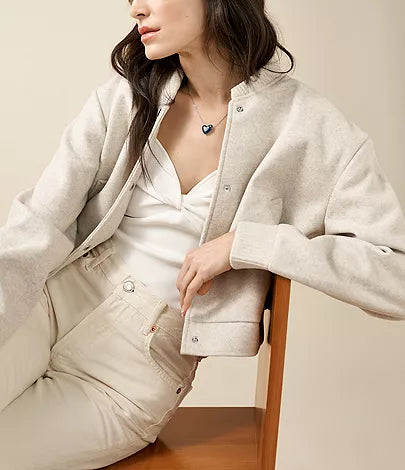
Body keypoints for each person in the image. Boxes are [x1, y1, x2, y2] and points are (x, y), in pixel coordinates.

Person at [1, 0, 404, 468]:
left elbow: (395, 276)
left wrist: (251, 244)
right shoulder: (126, 97)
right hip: (44, 307)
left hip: (127, 376)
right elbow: (38, 223)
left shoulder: (310, 127)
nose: (136, 9)